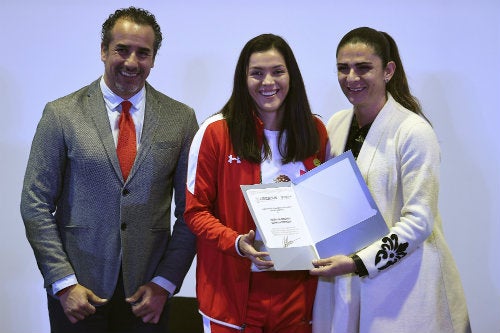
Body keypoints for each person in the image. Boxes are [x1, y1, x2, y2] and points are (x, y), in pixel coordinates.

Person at [20, 7, 199, 333]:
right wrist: (63, 282)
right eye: (122, 49)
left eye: (143, 53)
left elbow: (192, 210)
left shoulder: (181, 119)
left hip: (148, 297)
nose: (132, 62)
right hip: (78, 295)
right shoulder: (61, 114)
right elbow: (35, 204)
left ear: (154, 58)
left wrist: (166, 282)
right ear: (103, 51)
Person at [310, 27, 471, 333]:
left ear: (388, 71)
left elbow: (419, 222)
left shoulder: (413, 131)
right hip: (345, 280)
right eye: (343, 68)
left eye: (363, 67)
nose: (351, 77)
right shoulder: (336, 124)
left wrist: (359, 263)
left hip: (405, 285)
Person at [184, 33, 329, 333]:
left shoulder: (316, 131)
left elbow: (326, 208)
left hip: (298, 291)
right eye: (257, 73)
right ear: (243, 78)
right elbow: (194, 211)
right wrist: (236, 243)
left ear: (292, 75)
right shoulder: (215, 132)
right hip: (233, 291)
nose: (268, 82)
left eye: (277, 71)